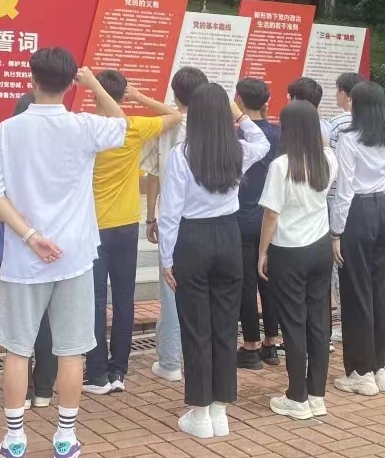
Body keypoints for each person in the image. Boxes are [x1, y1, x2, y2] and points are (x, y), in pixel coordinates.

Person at [0, 48, 128, 458]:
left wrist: (29, 236)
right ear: (70, 83)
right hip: (74, 255)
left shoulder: (8, 130)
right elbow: (121, 123)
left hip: (24, 259)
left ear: (32, 79)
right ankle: (65, 436)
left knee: (17, 349)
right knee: (71, 350)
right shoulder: (83, 126)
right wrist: (94, 85)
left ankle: (14, 438)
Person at [159, 84, 271, 438]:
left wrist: (166, 258)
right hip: (228, 236)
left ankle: (200, 412)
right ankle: (220, 410)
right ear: (225, 115)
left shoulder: (181, 154)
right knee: (225, 324)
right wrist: (241, 116)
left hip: (192, 239)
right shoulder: (237, 149)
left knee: (196, 327)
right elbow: (263, 143)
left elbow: (170, 212)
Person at [84, 72, 182, 395]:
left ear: (95, 95)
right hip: (127, 225)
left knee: (96, 299)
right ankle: (119, 371)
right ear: (121, 97)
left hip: (94, 226)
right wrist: (138, 97)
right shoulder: (135, 126)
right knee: (124, 299)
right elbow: (175, 116)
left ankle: (97, 374)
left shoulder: (86, 127)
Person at [257, 101, 337, 420]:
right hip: (320, 247)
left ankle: (296, 396)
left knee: (293, 323)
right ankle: (316, 395)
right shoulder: (328, 159)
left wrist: (262, 252)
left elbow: (271, 214)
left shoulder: (282, 165)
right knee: (319, 322)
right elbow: (324, 144)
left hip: (289, 250)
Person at [0, 93, 57, 410]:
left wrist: (15, 221)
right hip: (53, 249)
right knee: (48, 321)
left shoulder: (7, 144)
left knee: (19, 324)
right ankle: (44, 390)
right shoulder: (58, 150)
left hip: (15, 249)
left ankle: (24, 393)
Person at [331, 81, 385, 394]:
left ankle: (361, 371)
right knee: (380, 290)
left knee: (356, 292)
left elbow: (344, 189)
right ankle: (379, 367)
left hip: (357, 212)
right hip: (382, 209)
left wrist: (336, 231)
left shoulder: (349, 139)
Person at [141, 66, 209, 383]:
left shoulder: (167, 125)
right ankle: (202, 357)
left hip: (174, 220)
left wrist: (150, 217)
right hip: (209, 221)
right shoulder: (215, 126)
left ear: (174, 93)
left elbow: (153, 174)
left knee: (170, 291)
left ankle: (170, 362)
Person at [232, 78, 282, 370]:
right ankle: (271, 344)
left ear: (238, 99)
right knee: (268, 280)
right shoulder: (278, 133)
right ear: (267, 101)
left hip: (241, 218)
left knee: (246, 284)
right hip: (270, 217)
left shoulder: (235, 136)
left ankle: (250, 346)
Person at [326, 72, 363, 342]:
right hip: (369, 200)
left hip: (337, 196)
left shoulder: (338, 124)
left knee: (337, 258)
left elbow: (330, 161)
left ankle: (342, 317)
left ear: (345, 94)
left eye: (337, 90)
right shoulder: (379, 123)